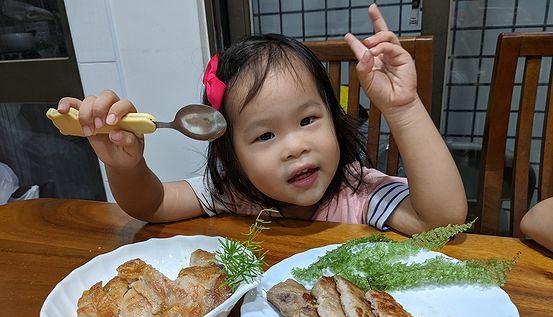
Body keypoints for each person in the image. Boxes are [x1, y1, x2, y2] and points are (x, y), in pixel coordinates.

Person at [55, 4, 467, 236]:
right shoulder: (236, 193)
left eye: (308, 120)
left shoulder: (358, 193)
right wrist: (125, 166)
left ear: (334, 118)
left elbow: (441, 220)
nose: (295, 146)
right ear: (231, 151)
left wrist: (403, 108)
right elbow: (153, 203)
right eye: (265, 134)